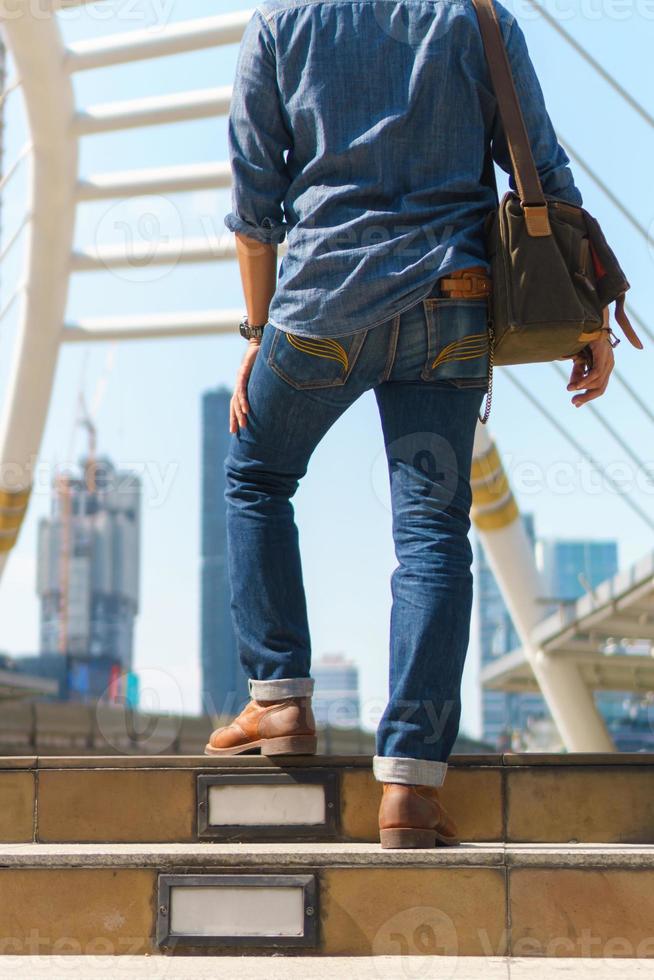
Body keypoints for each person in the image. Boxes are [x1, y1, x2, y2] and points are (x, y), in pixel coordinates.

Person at [205, 0, 615, 848]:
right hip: (451, 308)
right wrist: (590, 319)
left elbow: (254, 202)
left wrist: (257, 333)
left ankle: (278, 700)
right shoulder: (480, 20)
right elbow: (542, 171)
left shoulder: (280, 26)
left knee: (257, 476)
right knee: (431, 536)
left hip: (323, 311)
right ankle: (411, 793)